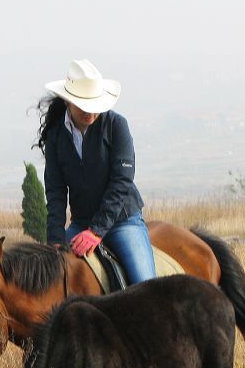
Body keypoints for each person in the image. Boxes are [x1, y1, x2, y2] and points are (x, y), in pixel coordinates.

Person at [34, 58, 156, 285]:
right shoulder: (56, 135)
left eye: (95, 106)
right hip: (81, 223)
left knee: (144, 286)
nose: (91, 113)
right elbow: (55, 190)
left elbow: (122, 181)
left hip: (123, 221)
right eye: (84, 106)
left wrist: (97, 231)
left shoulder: (117, 125)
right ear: (69, 101)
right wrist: (55, 239)